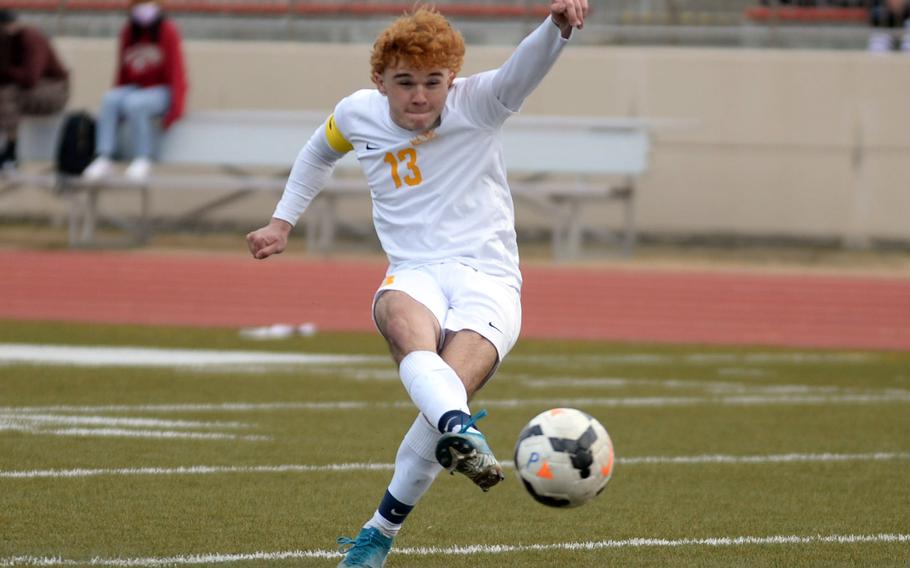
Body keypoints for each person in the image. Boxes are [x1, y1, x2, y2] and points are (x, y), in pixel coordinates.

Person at [247, 1, 587, 566]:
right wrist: (283, 221)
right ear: (379, 81)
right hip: (415, 270)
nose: (420, 96)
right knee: (400, 319)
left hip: (491, 278)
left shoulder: (479, 102)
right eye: (404, 82)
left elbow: (523, 69)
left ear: (451, 78)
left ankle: (379, 531)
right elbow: (318, 152)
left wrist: (555, 29)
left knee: (445, 391)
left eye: (433, 82)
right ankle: (459, 430)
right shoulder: (357, 114)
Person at [83, 0, 187, 182]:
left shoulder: (167, 30)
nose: (143, 9)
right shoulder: (128, 32)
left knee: (135, 103)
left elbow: (177, 72)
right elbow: (122, 72)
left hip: (161, 90)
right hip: (136, 88)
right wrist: (117, 107)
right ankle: (104, 156)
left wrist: (175, 111)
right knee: (109, 99)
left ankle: (143, 157)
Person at [0, 9, 69, 170]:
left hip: (54, 90)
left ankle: (11, 149)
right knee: (6, 93)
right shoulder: (6, 41)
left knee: (7, 94)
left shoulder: (31, 38)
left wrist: (6, 71)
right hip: (26, 90)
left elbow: (30, 78)